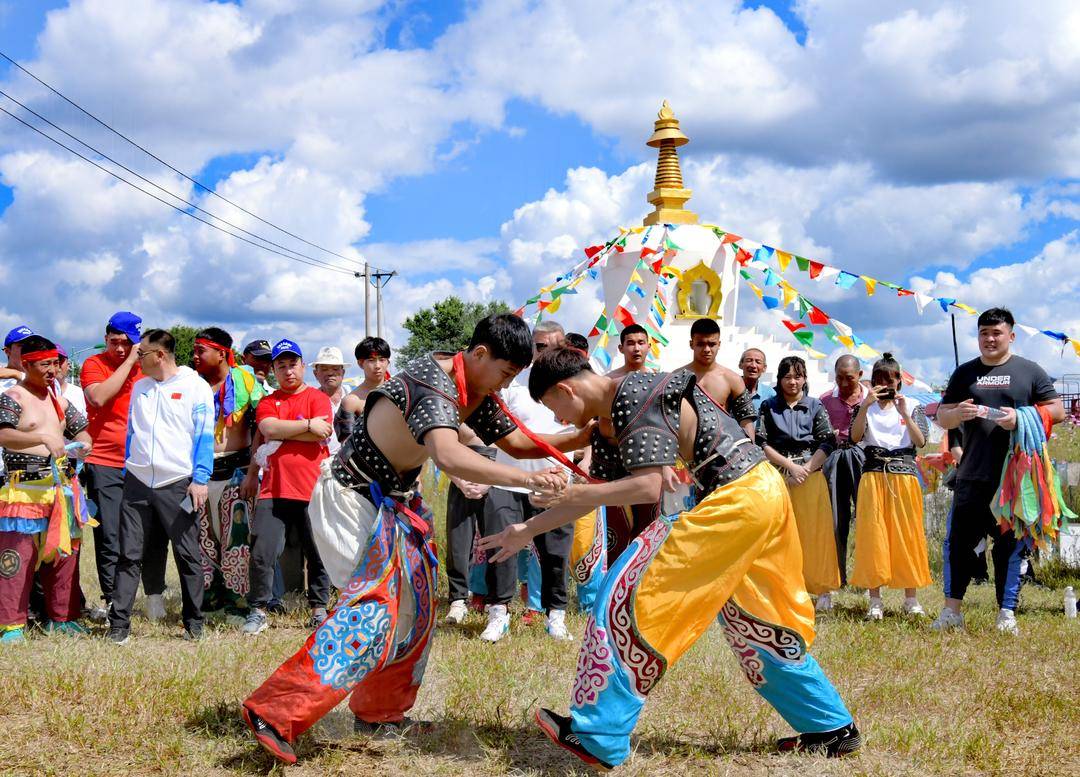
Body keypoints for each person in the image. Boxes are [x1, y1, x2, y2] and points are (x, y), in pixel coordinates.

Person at [479, 347, 859, 770]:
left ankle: (598, 735)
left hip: (735, 499)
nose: (560, 420)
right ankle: (831, 728)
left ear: (567, 389)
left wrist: (572, 494)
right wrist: (526, 530)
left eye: (554, 407)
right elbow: (594, 495)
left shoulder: (632, 394)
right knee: (757, 623)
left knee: (627, 598)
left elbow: (646, 489)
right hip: (758, 492)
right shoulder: (611, 422)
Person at [240, 314, 579, 765]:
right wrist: (526, 481)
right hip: (351, 498)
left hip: (395, 506)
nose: (504, 385)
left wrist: (587, 432)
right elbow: (448, 453)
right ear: (479, 354)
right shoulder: (431, 381)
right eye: (504, 373)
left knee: (417, 612)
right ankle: (273, 712)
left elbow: (517, 440)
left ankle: (380, 713)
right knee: (374, 613)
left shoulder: (474, 385)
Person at [934, 307, 1064, 635]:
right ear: (978, 336)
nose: (990, 339)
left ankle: (1007, 614)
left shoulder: (1029, 371)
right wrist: (957, 414)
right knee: (958, 545)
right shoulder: (964, 373)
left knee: (1010, 547)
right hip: (970, 475)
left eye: (997, 333)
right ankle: (952, 612)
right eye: (984, 334)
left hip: (1015, 480)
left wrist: (1022, 418)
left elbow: (1058, 410)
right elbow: (942, 417)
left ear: (1011, 336)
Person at [106, 329, 214, 644]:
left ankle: (194, 622)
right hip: (138, 481)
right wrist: (129, 465)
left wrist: (200, 477)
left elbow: (204, 435)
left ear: (160, 355)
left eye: (140, 353)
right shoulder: (140, 387)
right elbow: (131, 433)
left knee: (187, 554)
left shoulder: (196, 386)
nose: (135, 358)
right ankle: (118, 626)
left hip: (177, 481)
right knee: (129, 554)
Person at [478, 320, 577, 643]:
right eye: (539, 346)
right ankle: (498, 614)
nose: (544, 352)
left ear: (564, 347)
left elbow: (586, 435)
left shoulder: (575, 389)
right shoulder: (511, 388)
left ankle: (556, 617)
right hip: (509, 484)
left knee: (556, 555)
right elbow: (491, 434)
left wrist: (577, 470)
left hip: (556, 485)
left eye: (552, 345)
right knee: (501, 550)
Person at [0, 336, 94, 642]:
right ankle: (12, 624)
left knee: (63, 558)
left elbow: (83, 431)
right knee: (16, 560)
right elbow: (3, 435)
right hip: (24, 493)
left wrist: (84, 446)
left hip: (63, 491)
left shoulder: (61, 401)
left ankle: (62, 618)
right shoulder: (12, 397)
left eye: (56, 363)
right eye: (45, 364)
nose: (53, 370)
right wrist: (41, 437)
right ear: (27, 365)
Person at [243, 339, 333, 634]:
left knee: (317, 552)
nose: (288, 371)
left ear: (303, 367)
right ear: (273, 371)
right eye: (281, 366)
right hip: (273, 488)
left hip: (312, 488)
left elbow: (324, 432)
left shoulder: (318, 398)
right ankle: (257, 610)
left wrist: (288, 431)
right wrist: (307, 426)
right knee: (262, 552)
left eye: (292, 364)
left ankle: (319, 609)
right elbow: (268, 429)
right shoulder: (268, 402)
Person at [849, 353, 931, 619]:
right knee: (873, 535)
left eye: (891, 381)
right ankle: (875, 599)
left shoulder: (913, 406)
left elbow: (920, 442)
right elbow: (855, 436)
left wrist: (904, 412)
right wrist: (864, 406)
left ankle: (911, 597)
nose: (886, 386)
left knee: (907, 535)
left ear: (899, 381)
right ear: (873, 382)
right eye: (880, 381)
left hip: (904, 474)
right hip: (873, 473)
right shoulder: (865, 406)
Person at [191, 328, 264, 617]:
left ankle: (238, 605)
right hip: (200, 473)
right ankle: (208, 602)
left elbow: (261, 425)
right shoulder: (192, 384)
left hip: (238, 470)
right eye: (194, 351)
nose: (195, 356)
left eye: (201, 351)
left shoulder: (245, 380)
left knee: (238, 539)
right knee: (203, 539)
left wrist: (253, 473)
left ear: (221, 353)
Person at [758, 356, 838, 611]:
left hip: (811, 475)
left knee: (816, 533)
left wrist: (805, 469)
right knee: (780, 534)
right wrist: (790, 467)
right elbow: (762, 443)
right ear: (779, 379)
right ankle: (781, 589)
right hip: (779, 476)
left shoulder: (815, 406)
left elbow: (828, 441)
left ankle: (823, 590)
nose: (792, 382)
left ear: (805, 379)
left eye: (798, 376)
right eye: (787, 377)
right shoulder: (768, 407)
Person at [79, 312, 143, 622]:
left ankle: (132, 596)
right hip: (103, 460)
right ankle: (111, 599)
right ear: (105, 339)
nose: (120, 349)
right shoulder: (94, 364)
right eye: (115, 342)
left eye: (127, 343)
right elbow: (100, 397)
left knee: (136, 535)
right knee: (109, 535)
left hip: (141, 462)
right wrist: (130, 362)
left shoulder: (147, 368)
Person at [819, 354, 868, 587]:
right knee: (835, 520)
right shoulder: (825, 400)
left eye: (849, 378)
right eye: (839, 378)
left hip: (866, 460)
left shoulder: (871, 399)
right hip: (834, 459)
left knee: (868, 519)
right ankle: (838, 576)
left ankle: (867, 576)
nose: (845, 383)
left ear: (860, 375)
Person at [677, 318, 756, 438]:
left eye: (712, 344)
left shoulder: (732, 380)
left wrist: (747, 451)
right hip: (683, 451)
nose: (707, 349)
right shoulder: (676, 378)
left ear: (719, 344)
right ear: (691, 344)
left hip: (721, 451)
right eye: (701, 344)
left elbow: (746, 422)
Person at [334, 337, 390, 443]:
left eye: (382, 360)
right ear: (360, 363)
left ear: (388, 362)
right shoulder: (351, 401)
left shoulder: (399, 392)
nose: (377, 366)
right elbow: (348, 446)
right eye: (371, 360)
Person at [311, 346, 347, 455]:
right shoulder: (309, 401)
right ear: (315, 374)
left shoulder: (354, 397)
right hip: (319, 462)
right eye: (324, 369)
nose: (330, 373)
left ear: (343, 372)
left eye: (335, 369)